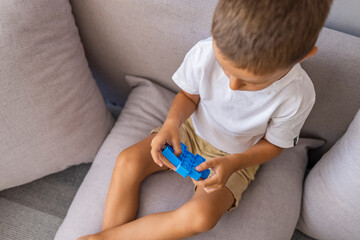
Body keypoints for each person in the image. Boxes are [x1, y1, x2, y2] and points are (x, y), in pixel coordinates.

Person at [78, 0, 333, 239]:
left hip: (238, 157)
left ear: (302, 55)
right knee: (127, 162)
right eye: (225, 69)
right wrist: (171, 124)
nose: (232, 85)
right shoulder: (205, 51)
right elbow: (188, 97)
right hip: (189, 131)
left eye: (250, 81)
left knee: (201, 217)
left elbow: (274, 145)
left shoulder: (297, 94)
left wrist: (234, 163)